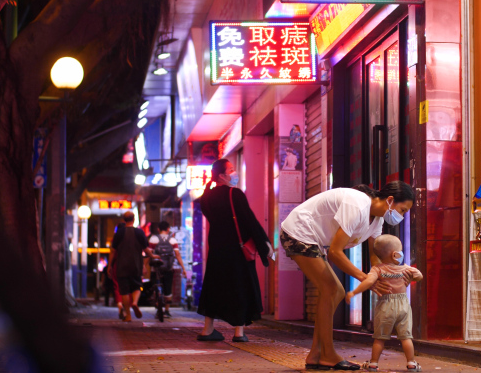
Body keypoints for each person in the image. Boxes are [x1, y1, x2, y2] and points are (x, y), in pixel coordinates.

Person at [280, 181, 415, 370]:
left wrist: (388, 279)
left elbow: (375, 257)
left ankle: (316, 355)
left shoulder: (377, 219)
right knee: (332, 289)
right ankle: (326, 354)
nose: (400, 216)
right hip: (298, 233)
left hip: (313, 240)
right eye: (402, 210)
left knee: (334, 292)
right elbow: (336, 252)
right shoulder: (358, 204)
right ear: (390, 200)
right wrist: (364, 278)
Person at [197, 159, 273, 342]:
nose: (235, 172)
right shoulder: (235, 194)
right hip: (237, 250)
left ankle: (207, 329)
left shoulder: (206, 197)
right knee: (240, 285)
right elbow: (249, 220)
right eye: (231, 169)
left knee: (214, 287)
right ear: (222, 175)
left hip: (216, 250)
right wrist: (264, 243)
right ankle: (239, 332)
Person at [345, 235, 423, 372]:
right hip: (403, 304)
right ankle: (411, 363)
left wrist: (354, 292)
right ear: (395, 254)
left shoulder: (378, 269)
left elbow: (368, 282)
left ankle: (373, 363)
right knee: (406, 337)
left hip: (386, 305)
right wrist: (411, 278)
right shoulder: (405, 269)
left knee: (380, 338)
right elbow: (419, 276)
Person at [108, 211, 158, 322]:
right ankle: (135, 303)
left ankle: (128, 316)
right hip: (136, 264)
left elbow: (112, 251)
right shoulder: (139, 233)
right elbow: (146, 249)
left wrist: (110, 266)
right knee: (137, 287)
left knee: (124, 291)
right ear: (134, 219)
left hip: (122, 266)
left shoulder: (119, 233)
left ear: (124, 220)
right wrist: (153, 255)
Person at [148, 221, 187, 317]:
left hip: (156, 269)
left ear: (158, 229)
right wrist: (183, 268)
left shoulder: (153, 239)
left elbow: (149, 254)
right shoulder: (172, 240)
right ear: (168, 229)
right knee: (168, 289)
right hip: (169, 268)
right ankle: (166, 311)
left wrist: (144, 267)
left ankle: (158, 307)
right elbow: (177, 255)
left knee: (155, 287)